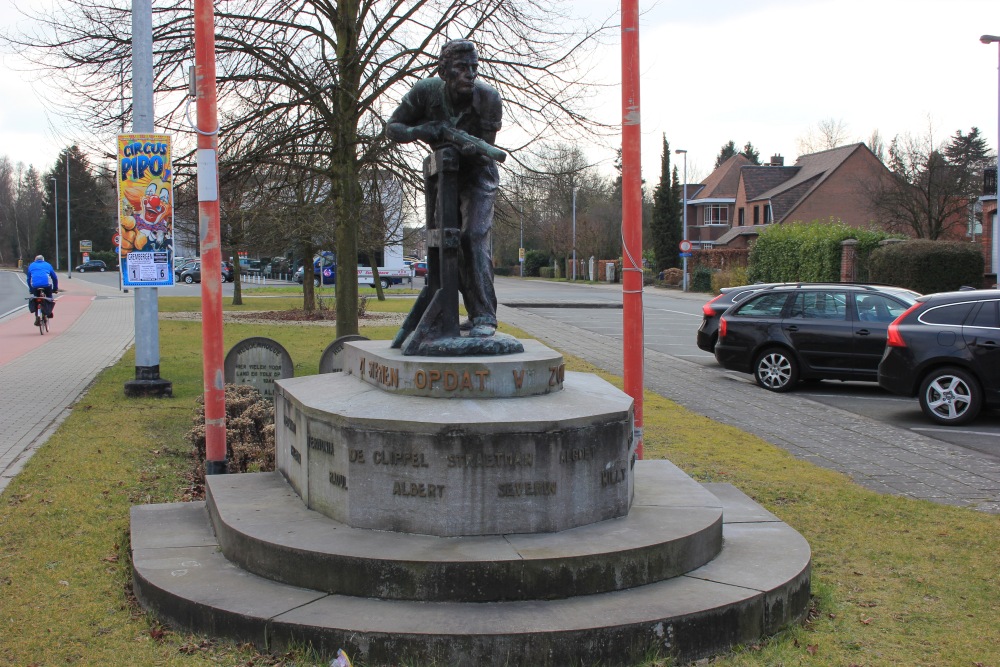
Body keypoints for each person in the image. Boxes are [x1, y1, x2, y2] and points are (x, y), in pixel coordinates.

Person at [386, 39, 502, 338]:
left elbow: (486, 151)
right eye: (462, 68)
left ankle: (484, 316)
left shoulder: (488, 98)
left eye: (474, 68)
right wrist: (423, 130)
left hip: (477, 175)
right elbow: (394, 128)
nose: (470, 74)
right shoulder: (426, 92)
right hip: (444, 175)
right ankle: (450, 313)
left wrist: (463, 146)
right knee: (446, 243)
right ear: (444, 70)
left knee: (473, 237)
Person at [26, 254, 59, 323]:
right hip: (46, 285)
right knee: (49, 297)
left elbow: (28, 279)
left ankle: (37, 316)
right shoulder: (48, 265)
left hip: (35, 286)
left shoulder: (31, 265)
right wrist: (55, 288)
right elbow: (54, 278)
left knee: (36, 298)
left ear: (35, 260)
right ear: (43, 260)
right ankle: (49, 312)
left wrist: (31, 289)